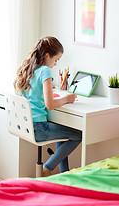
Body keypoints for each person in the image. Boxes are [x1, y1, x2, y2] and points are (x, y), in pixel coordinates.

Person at [14, 36, 82, 176]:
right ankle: (48, 167)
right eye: (56, 60)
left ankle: (64, 174)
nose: (56, 63)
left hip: (27, 125)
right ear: (47, 55)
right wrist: (67, 99)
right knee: (78, 135)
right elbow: (50, 105)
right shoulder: (45, 70)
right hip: (39, 128)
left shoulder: (28, 68)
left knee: (63, 134)